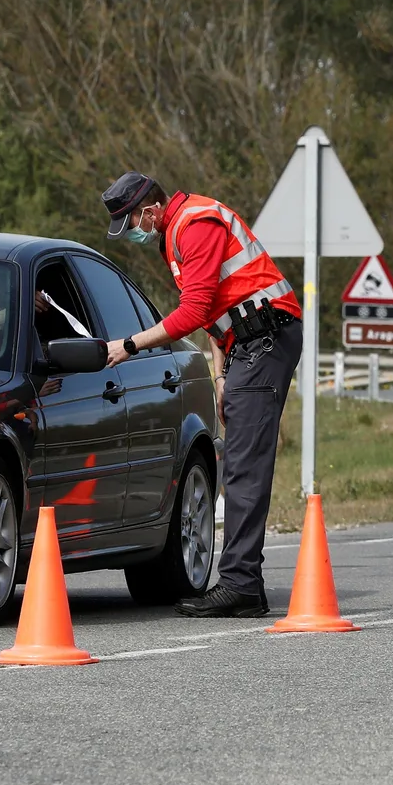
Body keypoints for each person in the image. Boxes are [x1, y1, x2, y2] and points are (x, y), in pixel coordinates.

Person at [101, 171, 303, 619]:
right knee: (241, 460)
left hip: (266, 338)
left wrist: (131, 344)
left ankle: (240, 585)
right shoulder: (174, 232)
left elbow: (192, 312)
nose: (131, 230)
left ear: (150, 210)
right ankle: (243, 582)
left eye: (131, 220)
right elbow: (215, 309)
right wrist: (220, 377)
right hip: (248, 344)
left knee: (244, 465)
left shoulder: (194, 225)